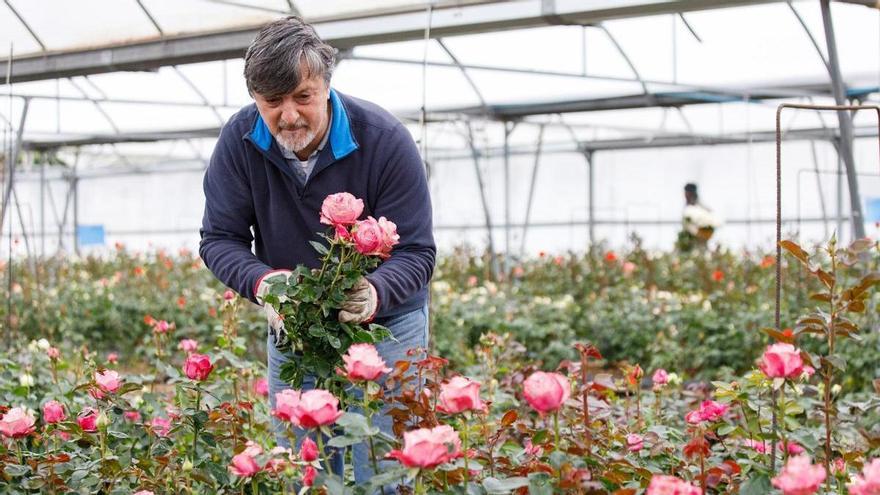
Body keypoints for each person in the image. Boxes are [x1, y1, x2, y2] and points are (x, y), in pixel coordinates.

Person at [198, 16, 435, 484]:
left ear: (325, 85)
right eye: (272, 102)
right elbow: (219, 238)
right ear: (255, 99)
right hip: (297, 325)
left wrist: (375, 291)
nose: (289, 115)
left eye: (303, 97)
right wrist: (265, 284)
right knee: (303, 463)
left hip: (389, 324)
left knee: (384, 464)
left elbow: (418, 252)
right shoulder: (241, 141)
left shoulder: (384, 140)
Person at [677, 183, 719, 251]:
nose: (685, 196)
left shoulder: (700, 208)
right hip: (688, 242)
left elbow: (711, 221)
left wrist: (700, 233)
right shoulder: (687, 207)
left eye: (687, 194)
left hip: (699, 242)